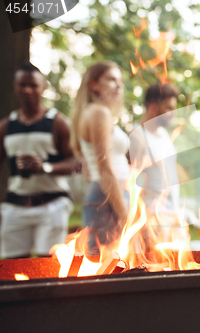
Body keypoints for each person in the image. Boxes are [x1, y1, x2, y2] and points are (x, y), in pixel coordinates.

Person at [0, 62, 80, 259]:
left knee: (49, 264)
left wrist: (45, 167)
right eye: (22, 84)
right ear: (15, 86)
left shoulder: (57, 122)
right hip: (16, 204)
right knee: (12, 266)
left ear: (43, 87)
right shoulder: (6, 126)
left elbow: (76, 162)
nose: (27, 90)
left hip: (52, 203)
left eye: (33, 85)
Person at [70, 61, 130, 255]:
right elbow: (105, 168)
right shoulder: (99, 112)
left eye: (120, 81)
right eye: (111, 79)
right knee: (107, 267)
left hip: (107, 194)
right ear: (93, 84)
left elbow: (90, 165)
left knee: (109, 264)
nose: (119, 85)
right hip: (109, 196)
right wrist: (125, 213)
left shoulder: (93, 113)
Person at [129, 83, 184, 244]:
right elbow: (130, 184)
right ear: (153, 106)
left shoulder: (164, 135)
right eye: (169, 108)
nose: (173, 113)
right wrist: (142, 220)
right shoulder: (136, 136)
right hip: (150, 219)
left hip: (171, 215)